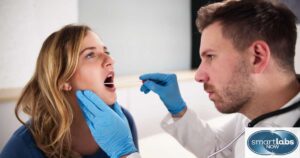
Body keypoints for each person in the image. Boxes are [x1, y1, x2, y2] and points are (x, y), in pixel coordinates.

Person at [75, 0, 300, 158]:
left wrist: (125, 153)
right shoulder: (259, 113)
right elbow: (219, 150)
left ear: (257, 57)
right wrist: (179, 111)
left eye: (210, 56)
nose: (199, 75)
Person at [0, 24, 138, 158]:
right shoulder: (21, 148)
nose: (110, 60)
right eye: (90, 55)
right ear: (63, 79)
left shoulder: (121, 125)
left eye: (106, 52)